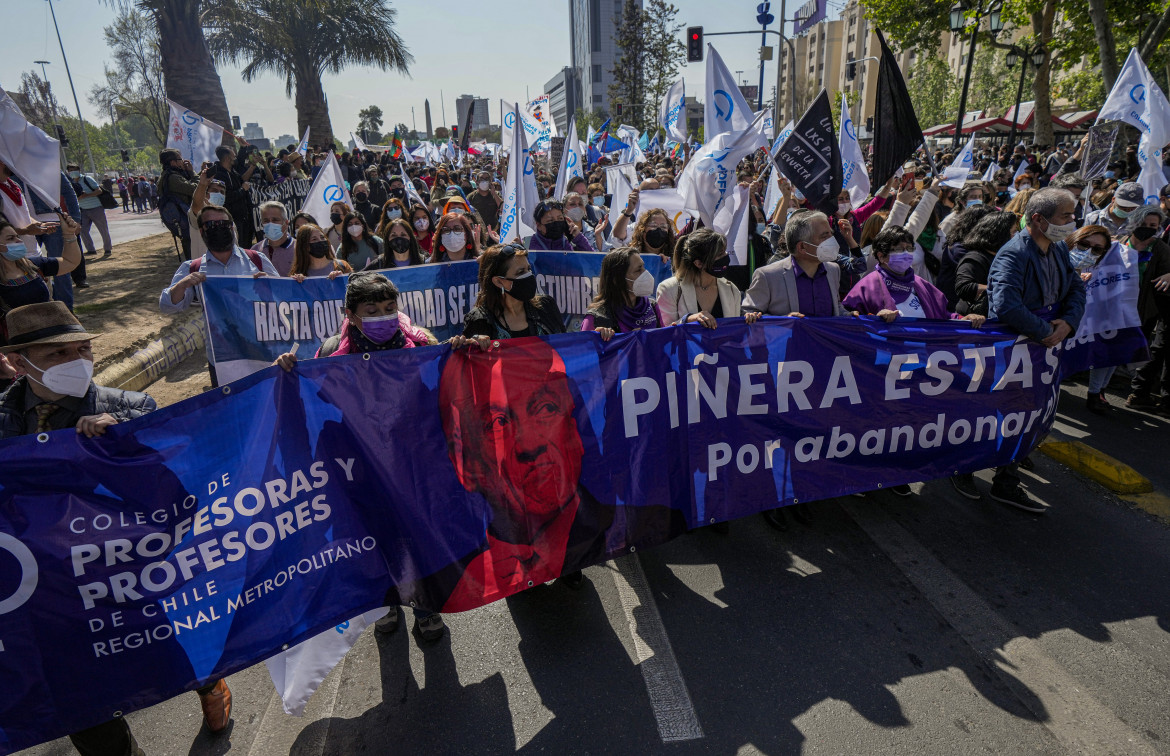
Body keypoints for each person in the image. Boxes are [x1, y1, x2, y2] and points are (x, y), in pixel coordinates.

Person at [0, 300, 233, 754]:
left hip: (119, 570)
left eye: (83, 350)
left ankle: (208, 686)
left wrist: (124, 441)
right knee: (79, 700)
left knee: (165, 649)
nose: (77, 362)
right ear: (16, 362)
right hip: (47, 587)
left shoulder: (129, 407)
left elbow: (174, 491)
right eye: (57, 356)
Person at [982, 188, 1086, 512]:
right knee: (1005, 412)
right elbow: (1007, 306)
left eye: (1073, 215)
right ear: (1038, 219)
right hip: (1016, 349)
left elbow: (1076, 288)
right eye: (1065, 217)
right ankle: (993, 476)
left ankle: (1009, 468)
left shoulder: (1056, 249)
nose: (1073, 222)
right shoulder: (1013, 254)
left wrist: (1067, 322)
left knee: (1032, 410)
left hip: (1044, 348)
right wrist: (1045, 332)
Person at [160, 205, 279, 384]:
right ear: (202, 230)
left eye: (224, 224)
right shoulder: (193, 268)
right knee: (232, 408)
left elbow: (283, 298)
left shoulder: (257, 260)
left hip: (262, 351)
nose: (219, 228)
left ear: (232, 227)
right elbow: (167, 305)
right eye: (212, 225)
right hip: (223, 359)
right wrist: (183, 284)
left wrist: (269, 285)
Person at [843, 226, 986, 327]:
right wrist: (875, 318)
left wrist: (964, 319)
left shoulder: (921, 285)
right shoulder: (866, 287)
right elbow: (850, 323)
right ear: (881, 256)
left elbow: (944, 317)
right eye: (899, 249)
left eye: (909, 248)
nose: (906, 253)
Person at [743, 210, 848, 319]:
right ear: (802, 247)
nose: (831, 240)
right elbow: (749, 314)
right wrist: (784, 321)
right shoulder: (768, 276)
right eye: (824, 236)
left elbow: (836, 307)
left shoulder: (833, 270)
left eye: (831, 234)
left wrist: (847, 315)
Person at [1065, 224, 1119, 413]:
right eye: (1083, 244)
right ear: (1072, 240)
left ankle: (1097, 392)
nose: (1088, 252)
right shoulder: (1049, 260)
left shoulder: (1082, 273)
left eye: (1096, 249)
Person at [460, 243, 564, 340]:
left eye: (529, 269)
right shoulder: (480, 321)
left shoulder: (546, 306)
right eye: (520, 272)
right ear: (499, 282)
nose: (529, 275)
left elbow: (566, 348)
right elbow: (466, 356)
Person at [1124, 205, 1170, 411]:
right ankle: (1098, 391)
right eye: (1144, 224)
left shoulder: (1160, 248)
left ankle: (1138, 390)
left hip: (1144, 310)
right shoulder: (1122, 242)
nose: (1149, 228)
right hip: (1118, 306)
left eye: (1154, 225)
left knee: (1140, 349)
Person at [656, 228, 748, 330]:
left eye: (725, 252)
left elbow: (734, 331)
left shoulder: (731, 289)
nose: (726, 256)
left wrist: (748, 319)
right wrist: (688, 320)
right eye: (720, 254)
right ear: (698, 263)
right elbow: (663, 333)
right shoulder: (669, 289)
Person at [0, 214, 82, 320]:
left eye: (18, 236)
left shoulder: (33, 266)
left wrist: (69, 234)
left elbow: (70, 262)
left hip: (50, 330)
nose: (19, 241)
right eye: (11, 238)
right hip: (18, 336)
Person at [581, 247, 663, 339]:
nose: (645, 273)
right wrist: (599, 340)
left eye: (643, 267)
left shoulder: (652, 306)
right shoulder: (596, 319)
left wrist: (673, 333)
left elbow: (663, 343)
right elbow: (584, 350)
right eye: (638, 270)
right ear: (617, 280)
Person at [954, 211, 1019, 317]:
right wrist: (999, 289)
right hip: (975, 321)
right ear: (1000, 234)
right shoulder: (975, 258)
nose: (1016, 237)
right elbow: (963, 287)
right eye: (1013, 232)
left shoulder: (1002, 256)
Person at [67, 164, 112, 259]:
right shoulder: (69, 182)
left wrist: (85, 195)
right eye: (70, 170)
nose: (72, 172)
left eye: (74, 170)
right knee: (83, 230)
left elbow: (99, 191)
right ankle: (91, 250)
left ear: (79, 170)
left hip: (96, 208)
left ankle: (107, 249)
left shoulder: (87, 179)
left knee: (103, 229)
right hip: (82, 210)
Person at [250, 201, 297, 276]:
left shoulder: (299, 248)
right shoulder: (255, 251)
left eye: (275, 220)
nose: (270, 224)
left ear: (286, 223)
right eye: (266, 221)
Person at [527, 200, 595, 251]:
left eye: (560, 218)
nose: (556, 223)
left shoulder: (566, 243)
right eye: (550, 220)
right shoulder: (531, 245)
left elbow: (591, 260)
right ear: (538, 225)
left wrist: (578, 237)